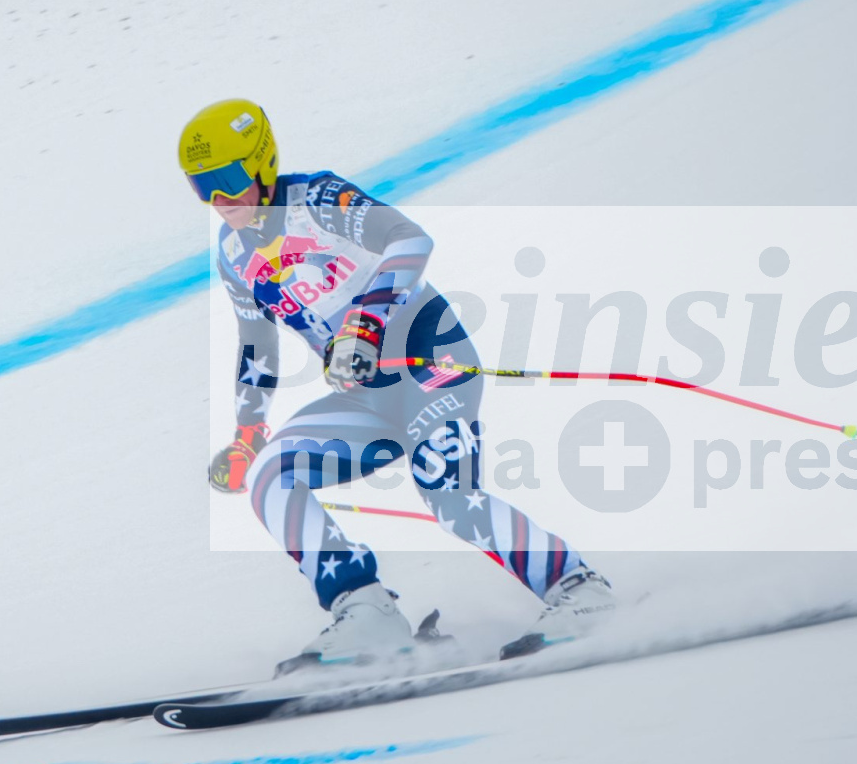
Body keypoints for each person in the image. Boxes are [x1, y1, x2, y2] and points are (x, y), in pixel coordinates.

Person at [180, 98, 616, 671]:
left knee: (448, 494)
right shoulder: (234, 253)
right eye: (202, 187)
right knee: (271, 473)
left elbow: (410, 240)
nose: (220, 199)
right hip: (365, 395)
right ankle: (366, 611)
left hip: (432, 362)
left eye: (230, 180)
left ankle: (580, 590)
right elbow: (257, 344)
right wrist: (247, 433)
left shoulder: (318, 200)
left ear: (262, 164)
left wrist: (366, 321)